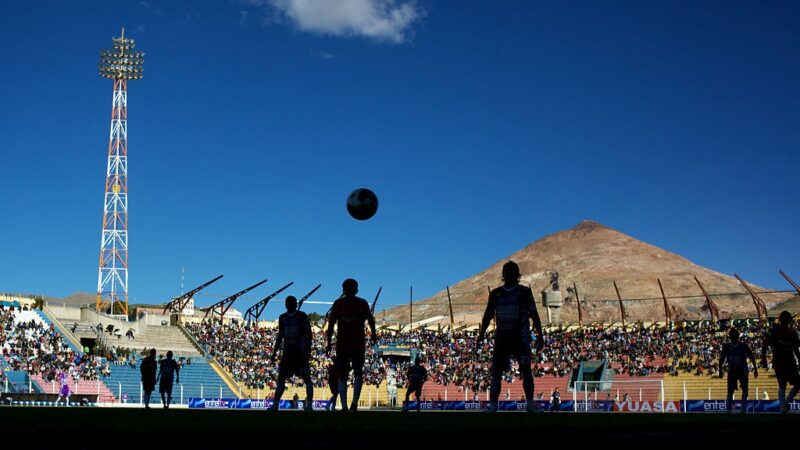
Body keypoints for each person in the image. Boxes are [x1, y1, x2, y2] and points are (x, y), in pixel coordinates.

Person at [477, 261, 544, 413]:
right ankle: (493, 406)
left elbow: (534, 314)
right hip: (502, 338)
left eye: (511, 272)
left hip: (520, 338)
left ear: (517, 275)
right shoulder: (495, 293)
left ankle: (530, 404)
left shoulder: (524, 292)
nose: (509, 275)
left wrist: (540, 336)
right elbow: (487, 315)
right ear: (503, 275)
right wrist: (481, 334)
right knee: (496, 371)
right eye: (507, 272)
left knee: (526, 370)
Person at [326, 278, 377, 412]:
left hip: (344, 343)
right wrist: (374, 335)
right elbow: (371, 320)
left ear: (343, 290)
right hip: (357, 343)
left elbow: (331, 325)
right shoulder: (362, 303)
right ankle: (353, 404)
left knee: (344, 375)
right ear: (356, 289)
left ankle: (344, 406)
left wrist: (328, 343)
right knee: (357, 373)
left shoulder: (338, 304)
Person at [270, 296, 314, 412]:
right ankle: (275, 405)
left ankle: (309, 405)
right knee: (281, 378)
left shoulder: (302, 316)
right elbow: (280, 336)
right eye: (287, 302)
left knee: (307, 378)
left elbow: (309, 334)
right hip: (287, 353)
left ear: (296, 304)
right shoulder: (282, 318)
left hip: (300, 353)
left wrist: (307, 350)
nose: (288, 304)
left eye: (291, 302)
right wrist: (274, 352)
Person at [761, 311, 800, 413]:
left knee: (797, 384)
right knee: (782, 384)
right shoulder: (775, 331)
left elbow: (796, 349)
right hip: (779, 361)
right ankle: (783, 409)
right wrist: (763, 358)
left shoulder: (792, 333)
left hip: (789, 361)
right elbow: (765, 345)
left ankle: (786, 404)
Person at [719, 327, 758, 413]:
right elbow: (722, 358)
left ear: (737, 336)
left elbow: (751, 356)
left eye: (734, 335)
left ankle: (742, 409)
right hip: (732, 371)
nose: (733, 337)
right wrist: (720, 369)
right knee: (730, 391)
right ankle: (729, 409)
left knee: (744, 389)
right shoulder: (727, 346)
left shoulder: (743, 346)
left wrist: (755, 368)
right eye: (732, 335)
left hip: (742, 370)